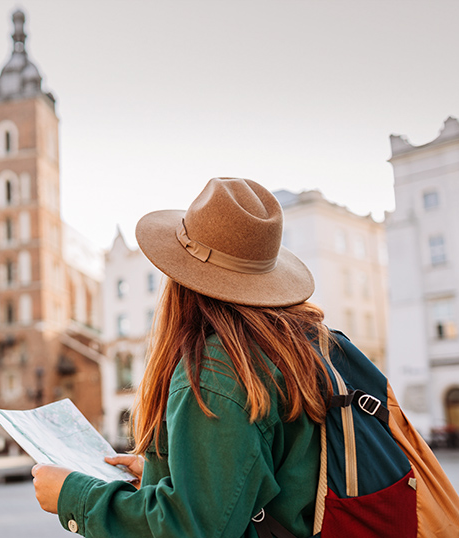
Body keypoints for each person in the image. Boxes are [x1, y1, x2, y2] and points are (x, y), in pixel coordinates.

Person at [32, 177, 333, 537]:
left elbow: (189, 528)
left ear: (181, 279)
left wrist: (73, 496)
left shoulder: (217, 371)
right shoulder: (296, 344)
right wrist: (171, 472)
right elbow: (259, 473)